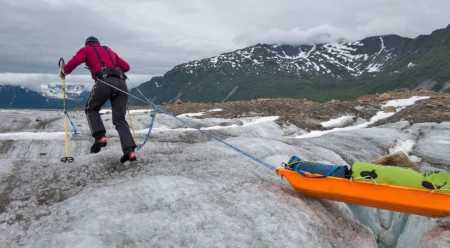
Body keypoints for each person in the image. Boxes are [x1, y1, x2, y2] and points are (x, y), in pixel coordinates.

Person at [58, 36, 137, 163]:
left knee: (91, 109)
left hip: (104, 82)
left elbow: (75, 61)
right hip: (121, 83)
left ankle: (100, 137)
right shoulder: (109, 50)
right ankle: (130, 151)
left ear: (87, 44)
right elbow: (126, 67)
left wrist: (64, 71)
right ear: (98, 43)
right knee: (120, 119)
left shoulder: (86, 50)